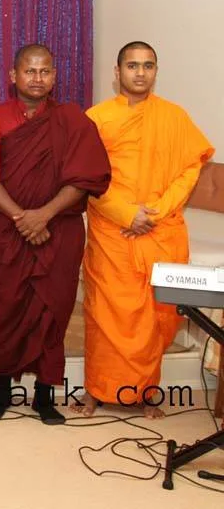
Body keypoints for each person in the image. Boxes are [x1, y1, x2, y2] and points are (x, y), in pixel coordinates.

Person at [73, 41, 213, 419]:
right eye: (132, 65)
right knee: (106, 314)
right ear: (117, 73)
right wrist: (124, 213)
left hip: (160, 228)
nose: (140, 72)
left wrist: (157, 211)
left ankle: (146, 391)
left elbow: (189, 170)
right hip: (112, 233)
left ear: (155, 71)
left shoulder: (174, 117)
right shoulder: (96, 118)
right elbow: (85, 177)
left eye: (147, 65)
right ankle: (97, 389)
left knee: (156, 316)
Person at [0, 44, 111, 424]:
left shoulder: (73, 120)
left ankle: (45, 395)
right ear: (13, 76)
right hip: (8, 229)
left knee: (53, 311)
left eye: (45, 71)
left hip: (58, 231)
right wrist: (24, 218)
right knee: (4, 307)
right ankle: (2, 390)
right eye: (30, 71)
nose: (37, 78)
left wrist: (44, 215)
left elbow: (85, 178)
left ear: (54, 76)